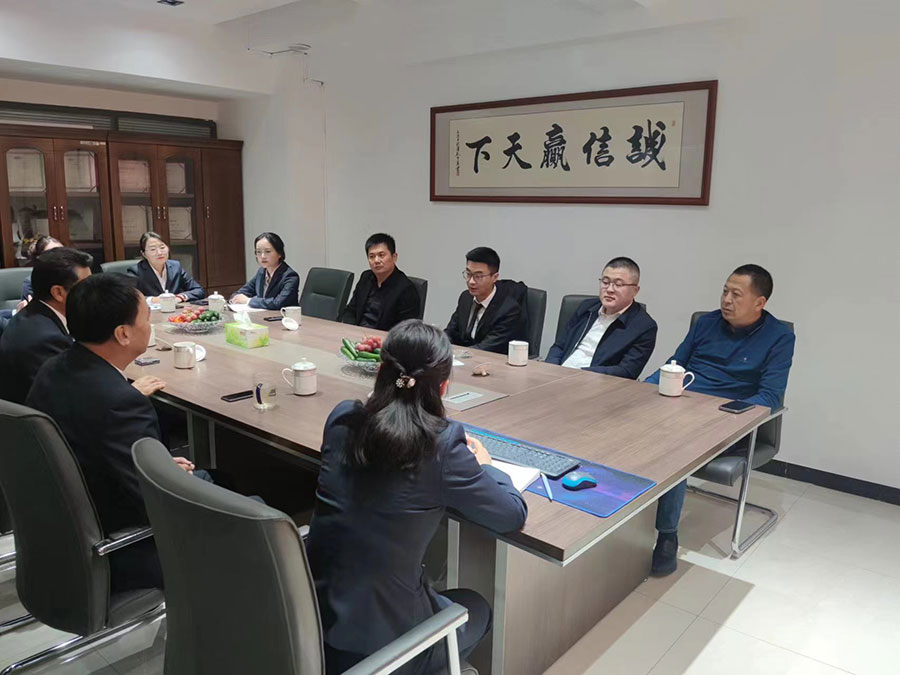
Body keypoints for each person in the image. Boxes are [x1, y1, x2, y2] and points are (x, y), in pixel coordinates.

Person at [307, 320, 527, 674]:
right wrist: (486, 466)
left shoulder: (342, 420)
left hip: (312, 621)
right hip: (382, 648)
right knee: (475, 607)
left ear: (380, 371)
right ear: (443, 387)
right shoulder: (442, 445)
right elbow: (511, 515)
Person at [26, 274, 185, 593]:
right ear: (123, 334)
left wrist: (158, 466)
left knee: (217, 479)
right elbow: (154, 504)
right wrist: (165, 476)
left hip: (57, 534)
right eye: (147, 318)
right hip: (117, 546)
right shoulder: (120, 402)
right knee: (250, 500)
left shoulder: (52, 369)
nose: (150, 326)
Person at [644, 264, 795, 576]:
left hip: (726, 420)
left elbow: (769, 397)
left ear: (759, 302)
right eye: (725, 291)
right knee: (621, 427)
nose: (726, 299)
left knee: (672, 447)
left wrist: (714, 414)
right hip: (678, 409)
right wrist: (640, 391)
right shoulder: (706, 323)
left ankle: (667, 536)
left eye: (736, 294)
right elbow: (674, 365)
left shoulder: (779, 337)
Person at [0, 248, 91, 403]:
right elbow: (74, 398)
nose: (93, 293)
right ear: (58, 293)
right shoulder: (45, 338)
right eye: (86, 287)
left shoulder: (34, 312)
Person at [546, 257, 657, 378]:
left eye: (618, 284)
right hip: (558, 375)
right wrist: (550, 369)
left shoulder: (644, 327)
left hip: (596, 382)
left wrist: (578, 374)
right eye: (605, 282)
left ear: (635, 291)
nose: (609, 289)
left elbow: (627, 371)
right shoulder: (586, 308)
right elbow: (559, 346)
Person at [444, 247, 528, 354]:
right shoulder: (466, 297)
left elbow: (487, 347)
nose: (471, 281)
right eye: (468, 274)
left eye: (478, 276)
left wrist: (457, 354)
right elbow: (450, 332)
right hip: (463, 358)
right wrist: (438, 345)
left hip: (491, 360)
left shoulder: (509, 310)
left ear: (494, 277)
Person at [340, 233, 420, 330]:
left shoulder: (406, 289)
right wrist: (351, 330)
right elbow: (351, 310)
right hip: (357, 333)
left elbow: (405, 330)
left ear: (394, 257)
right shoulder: (366, 277)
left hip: (384, 338)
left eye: (381, 255)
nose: (376, 260)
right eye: (372, 256)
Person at [128, 231, 205, 303]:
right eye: (153, 249)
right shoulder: (136, 271)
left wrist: (180, 297)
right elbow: (130, 297)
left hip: (175, 311)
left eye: (162, 247)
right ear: (144, 254)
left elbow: (198, 290)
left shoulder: (176, 267)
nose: (159, 253)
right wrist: (153, 299)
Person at [230, 232, 300, 310]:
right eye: (258, 252)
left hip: (283, 317)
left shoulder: (290, 276)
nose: (262, 256)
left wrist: (248, 301)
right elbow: (240, 293)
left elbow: (278, 303)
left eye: (267, 251)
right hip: (263, 315)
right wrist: (236, 298)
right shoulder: (261, 272)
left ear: (279, 253)